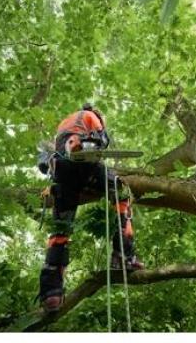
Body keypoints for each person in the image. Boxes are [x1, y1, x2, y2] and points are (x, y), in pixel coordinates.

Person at [37, 103, 143, 312]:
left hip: (63, 176)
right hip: (85, 166)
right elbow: (102, 141)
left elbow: (43, 163)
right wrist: (97, 140)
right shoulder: (89, 116)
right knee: (121, 192)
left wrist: (51, 166)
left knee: (61, 229)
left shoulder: (61, 127)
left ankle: (52, 292)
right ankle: (123, 255)